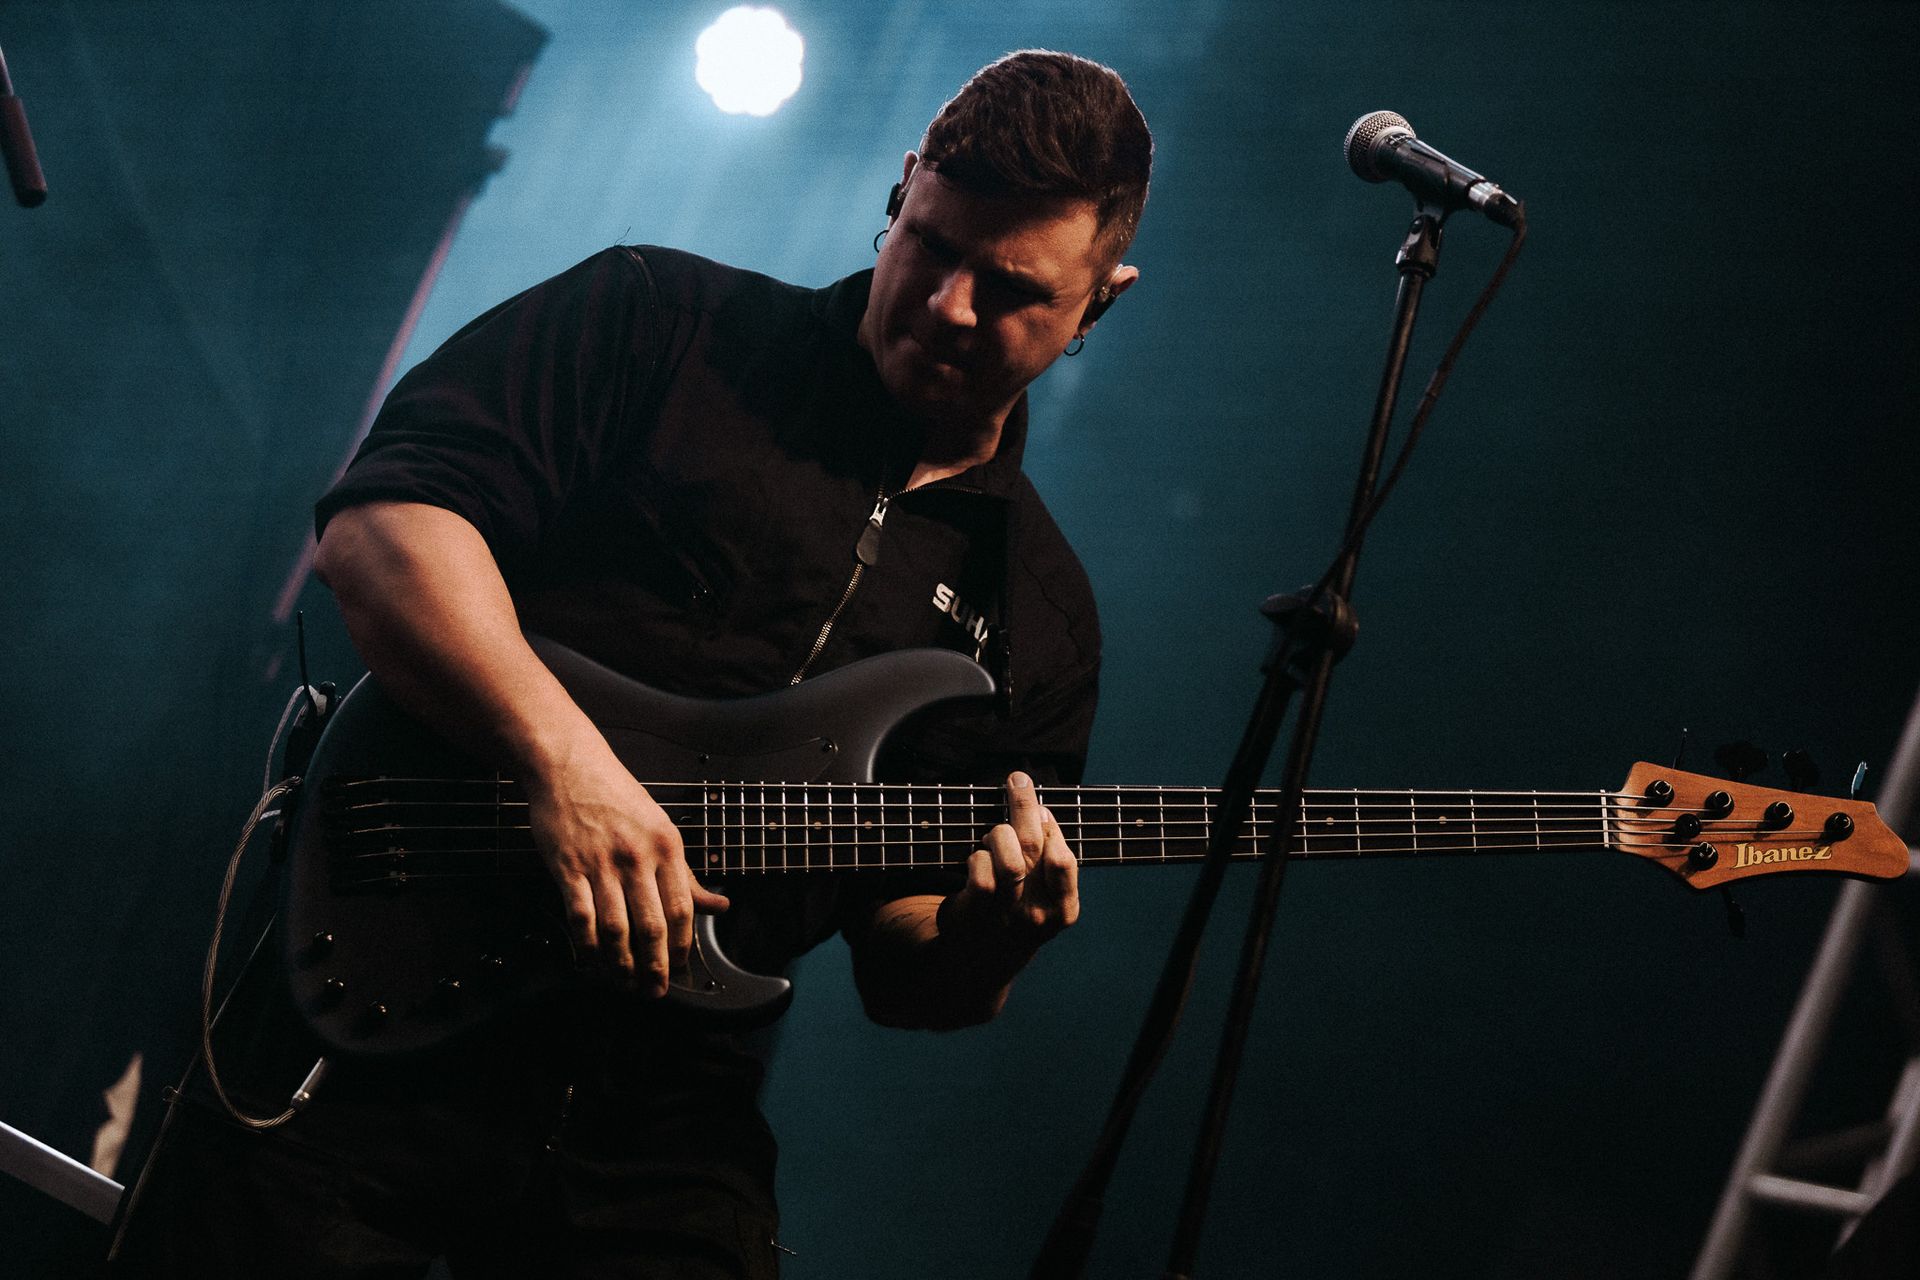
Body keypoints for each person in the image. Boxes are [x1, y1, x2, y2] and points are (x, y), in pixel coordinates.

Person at [112, 48, 1150, 1278]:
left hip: (662, 1142)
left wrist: (995, 935)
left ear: (1102, 300)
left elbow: (905, 963)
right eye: (929, 244)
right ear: (903, 183)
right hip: (368, 1040)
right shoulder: (662, 322)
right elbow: (384, 528)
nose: (948, 305)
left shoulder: (1041, 612)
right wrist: (563, 764)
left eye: (1014, 287)